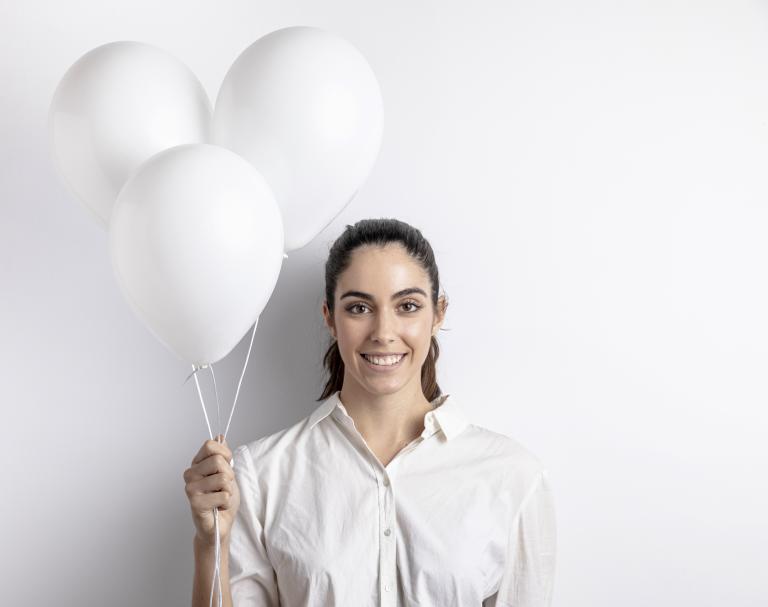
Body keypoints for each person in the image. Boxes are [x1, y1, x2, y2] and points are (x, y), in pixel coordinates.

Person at [184, 218, 557, 606]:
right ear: (329, 316)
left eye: (407, 306)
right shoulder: (261, 474)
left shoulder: (512, 476)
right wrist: (211, 544)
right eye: (359, 308)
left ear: (438, 313)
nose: (383, 331)